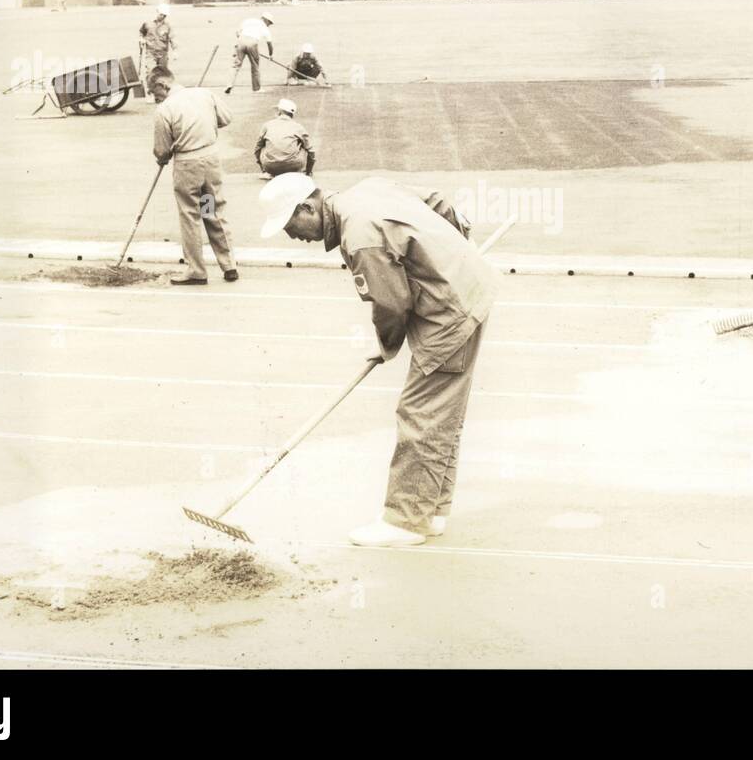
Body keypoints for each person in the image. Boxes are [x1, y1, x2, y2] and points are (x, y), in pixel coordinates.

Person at [258, 174, 497, 547]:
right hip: (467, 293)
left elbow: (392, 303)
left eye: (291, 226)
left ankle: (405, 521)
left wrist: (386, 345)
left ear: (308, 207)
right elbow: (437, 200)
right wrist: (455, 252)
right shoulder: (370, 188)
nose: (294, 237)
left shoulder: (359, 236)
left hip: (450, 314)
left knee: (422, 413)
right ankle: (430, 510)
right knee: (441, 412)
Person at [151, 70, 239, 285]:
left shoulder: (165, 109)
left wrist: (163, 157)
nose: (156, 99)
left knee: (191, 215)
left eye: (155, 94)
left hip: (188, 166)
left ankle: (197, 270)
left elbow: (162, 150)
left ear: (163, 85)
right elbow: (226, 118)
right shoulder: (204, 94)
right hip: (210, 161)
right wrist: (203, 125)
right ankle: (228, 265)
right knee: (210, 210)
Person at [254, 98, 316, 179]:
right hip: (293, 167)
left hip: (270, 167)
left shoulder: (267, 125)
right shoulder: (298, 127)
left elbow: (257, 149)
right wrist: (308, 171)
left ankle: (267, 173)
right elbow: (311, 151)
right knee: (303, 146)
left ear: (279, 112)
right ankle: (298, 173)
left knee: (262, 145)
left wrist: (263, 169)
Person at [226, 11, 274, 94]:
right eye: (269, 22)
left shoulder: (249, 20)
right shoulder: (265, 28)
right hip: (253, 43)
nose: (269, 25)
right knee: (255, 66)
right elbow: (269, 44)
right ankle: (256, 89)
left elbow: (237, 33)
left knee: (235, 66)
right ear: (265, 19)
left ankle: (229, 85)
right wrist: (271, 55)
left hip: (240, 41)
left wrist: (242, 42)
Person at [139, 4, 174, 74]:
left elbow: (172, 38)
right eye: (161, 14)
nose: (163, 17)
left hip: (163, 54)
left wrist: (175, 51)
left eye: (165, 15)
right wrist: (141, 39)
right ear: (157, 12)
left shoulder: (167, 25)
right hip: (150, 53)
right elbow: (141, 33)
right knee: (150, 72)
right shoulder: (147, 23)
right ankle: (151, 85)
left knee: (163, 74)